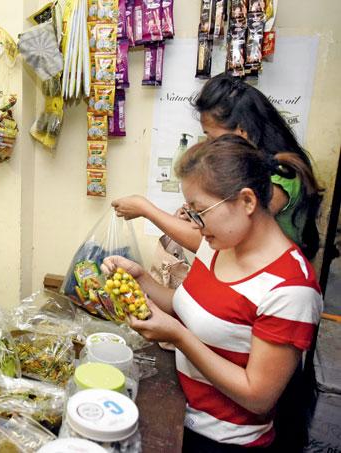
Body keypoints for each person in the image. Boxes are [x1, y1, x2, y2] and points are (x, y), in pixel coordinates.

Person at [102, 135, 323, 451]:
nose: (195, 224)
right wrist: (140, 280)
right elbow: (190, 309)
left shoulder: (290, 290)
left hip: (223, 440)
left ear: (247, 201)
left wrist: (179, 337)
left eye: (200, 211)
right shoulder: (218, 245)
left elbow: (258, 396)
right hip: (182, 408)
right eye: (190, 211)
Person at [113, 73, 323, 260]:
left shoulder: (279, 177)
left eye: (212, 137)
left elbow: (211, 245)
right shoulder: (245, 168)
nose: (211, 146)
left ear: (242, 131)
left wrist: (146, 209)